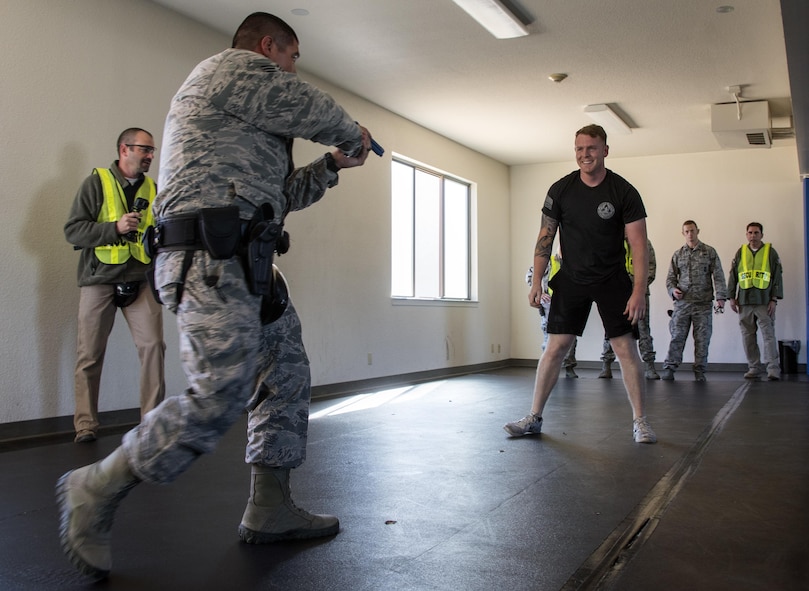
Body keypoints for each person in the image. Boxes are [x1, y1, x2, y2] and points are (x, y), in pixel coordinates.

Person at [57, 12, 373, 581]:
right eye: (293, 55)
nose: (293, 68)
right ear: (268, 46)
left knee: (285, 370)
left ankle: (270, 505)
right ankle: (94, 487)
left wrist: (330, 165)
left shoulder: (250, 122)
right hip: (207, 258)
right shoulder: (230, 70)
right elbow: (314, 108)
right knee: (219, 393)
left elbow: (281, 195)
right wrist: (351, 133)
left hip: (247, 259)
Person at [504, 124, 656, 444]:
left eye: (591, 148)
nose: (584, 154)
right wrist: (537, 281)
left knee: (625, 348)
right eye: (579, 149)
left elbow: (639, 245)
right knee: (555, 347)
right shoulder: (560, 190)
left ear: (605, 150)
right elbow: (545, 238)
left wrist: (638, 290)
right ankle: (534, 416)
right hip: (572, 277)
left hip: (612, 278)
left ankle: (640, 421)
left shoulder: (623, 192)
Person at [63, 128, 166, 444]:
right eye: (144, 149)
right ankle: (85, 426)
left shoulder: (153, 189)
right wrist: (114, 228)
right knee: (90, 354)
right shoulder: (96, 183)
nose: (150, 155)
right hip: (99, 280)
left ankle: (152, 425)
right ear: (124, 149)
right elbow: (73, 231)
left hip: (140, 279)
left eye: (152, 150)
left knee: (153, 348)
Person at [660, 221, 727, 381]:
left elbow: (718, 275)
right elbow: (670, 279)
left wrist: (721, 297)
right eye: (687, 231)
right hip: (682, 304)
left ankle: (700, 371)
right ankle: (670, 368)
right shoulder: (678, 254)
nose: (690, 234)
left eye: (692, 230)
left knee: (702, 339)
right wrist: (673, 291)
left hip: (702, 304)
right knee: (677, 337)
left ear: (698, 231)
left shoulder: (709, 252)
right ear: (683, 233)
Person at [727, 222, 784, 380]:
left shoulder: (770, 252)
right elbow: (733, 275)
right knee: (748, 336)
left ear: (762, 235)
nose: (753, 236)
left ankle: (773, 369)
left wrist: (774, 299)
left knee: (768, 336)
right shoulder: (741, 252)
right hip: (744, 302)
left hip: (764, 301)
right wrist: (731, 297)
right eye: (750, 233)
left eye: (756, 233)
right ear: (746, 235)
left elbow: (777, 276)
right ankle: (754, 367)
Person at [599, 237, 659, 380]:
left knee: (644, 329)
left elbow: (651, 266)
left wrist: (639, 287)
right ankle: (606, 365)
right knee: (611, 329)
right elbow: (603, 266)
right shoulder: (612, 241)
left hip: (639, 294)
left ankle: (649, 366)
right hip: (616, 293)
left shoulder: (643, 242)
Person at [526, 252, 578, 378]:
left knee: (570, 336)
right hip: (549, 304)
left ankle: (569, 367)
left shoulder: (573, 261)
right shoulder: (549, 261)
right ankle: (547, 369)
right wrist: (540, 292)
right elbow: (530, 275)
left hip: (567, 303)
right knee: (548, 336)